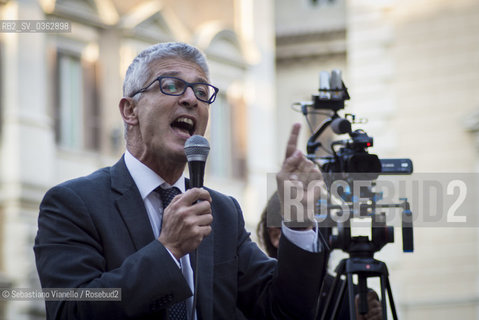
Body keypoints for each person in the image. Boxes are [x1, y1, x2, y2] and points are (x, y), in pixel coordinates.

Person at [34, 42, 329, 320]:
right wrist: (168, 250)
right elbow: (70, 310)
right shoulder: (73, 203)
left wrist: (298, 221)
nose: (191, 99)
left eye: (202, 92)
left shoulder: (223, 212)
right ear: (130, 110)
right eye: (172, 85)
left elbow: (283, 310)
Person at [257, 192, 383, 320]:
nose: (318, 236)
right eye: (306, 227)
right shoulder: (258, 297)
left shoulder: (352, 296)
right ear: (276, 236)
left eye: (322, 226)